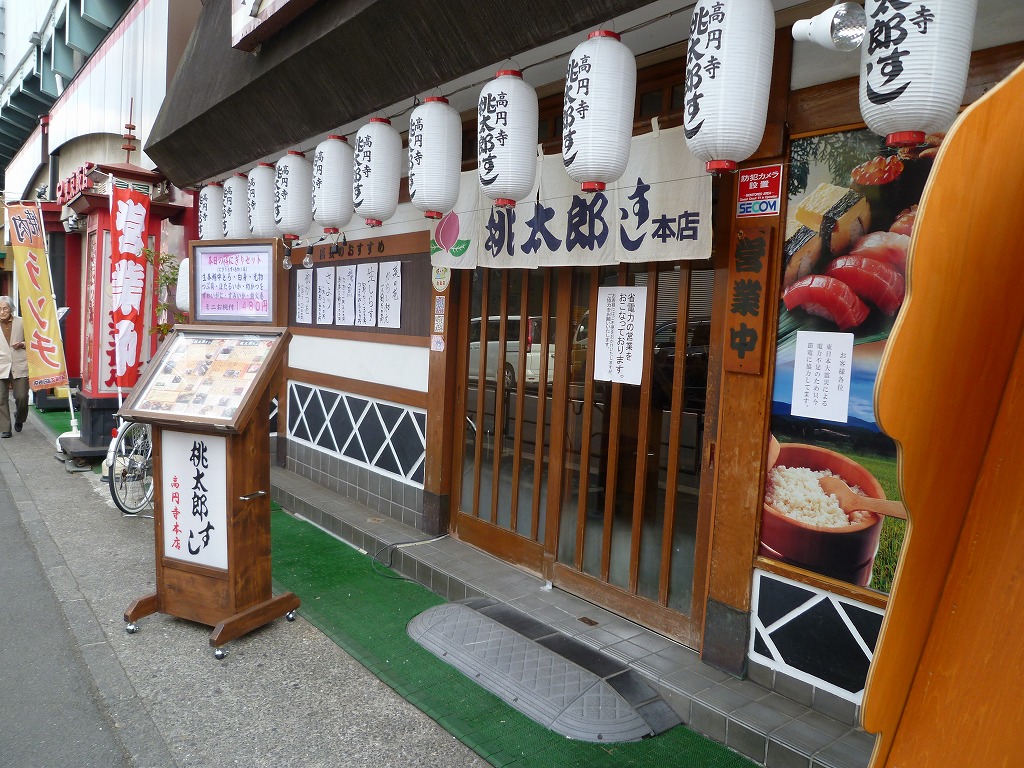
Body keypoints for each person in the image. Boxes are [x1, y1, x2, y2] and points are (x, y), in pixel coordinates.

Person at [0, 295, 29, 438]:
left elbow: (32, 340)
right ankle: (6, 428)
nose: (2, 311)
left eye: (5, 308)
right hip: (0, 365)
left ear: (11, 309)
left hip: (19, 363)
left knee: (22, 397)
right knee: (1, 398)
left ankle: (20, 417)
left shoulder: (21, 322)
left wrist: (22, 344)